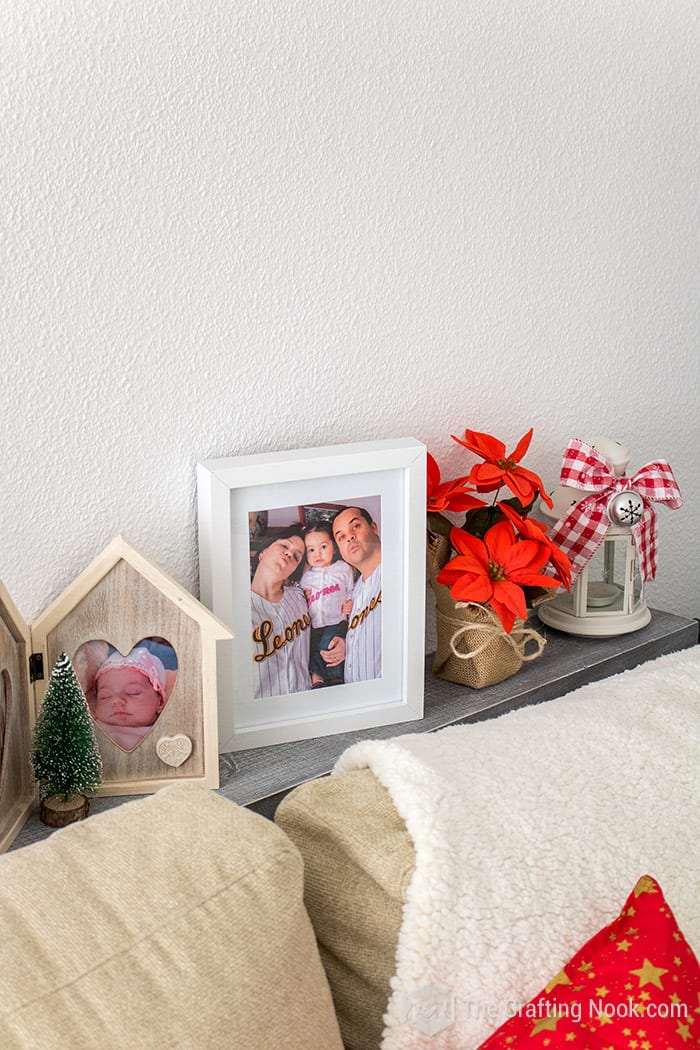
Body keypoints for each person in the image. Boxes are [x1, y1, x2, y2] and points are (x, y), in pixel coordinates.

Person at [250, 526, 313, 699]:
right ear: (262, 553)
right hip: (262, 711)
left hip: (305, 702)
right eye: (285, 546)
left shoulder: (300, 595)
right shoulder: (235, 608)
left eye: (296, 556)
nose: (289, 554)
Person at [327, 505, 382, 683]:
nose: (349, 537)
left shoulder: (400, 571)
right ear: (340, 551)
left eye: (355, 526)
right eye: (341, 537)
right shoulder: (355, 590)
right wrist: (347, 644)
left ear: (373, 527)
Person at [300, 524, 354, 687]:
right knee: (312, 648)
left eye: (323, 546)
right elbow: (300, 597)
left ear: (334, 547)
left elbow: (351, 589)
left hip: (336, 620)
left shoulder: (343, 569)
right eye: (311, 550)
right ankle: (317, 679)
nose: (318, 554)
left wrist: (350, 602)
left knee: (329, 644)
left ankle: (336, 677)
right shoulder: (307, 577)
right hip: (314, 623)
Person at [93, 648, 168, 751]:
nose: (117, 700)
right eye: (105, 696)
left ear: (160, 702)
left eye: (133, 692)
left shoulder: (167, 733)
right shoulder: (92, 729)